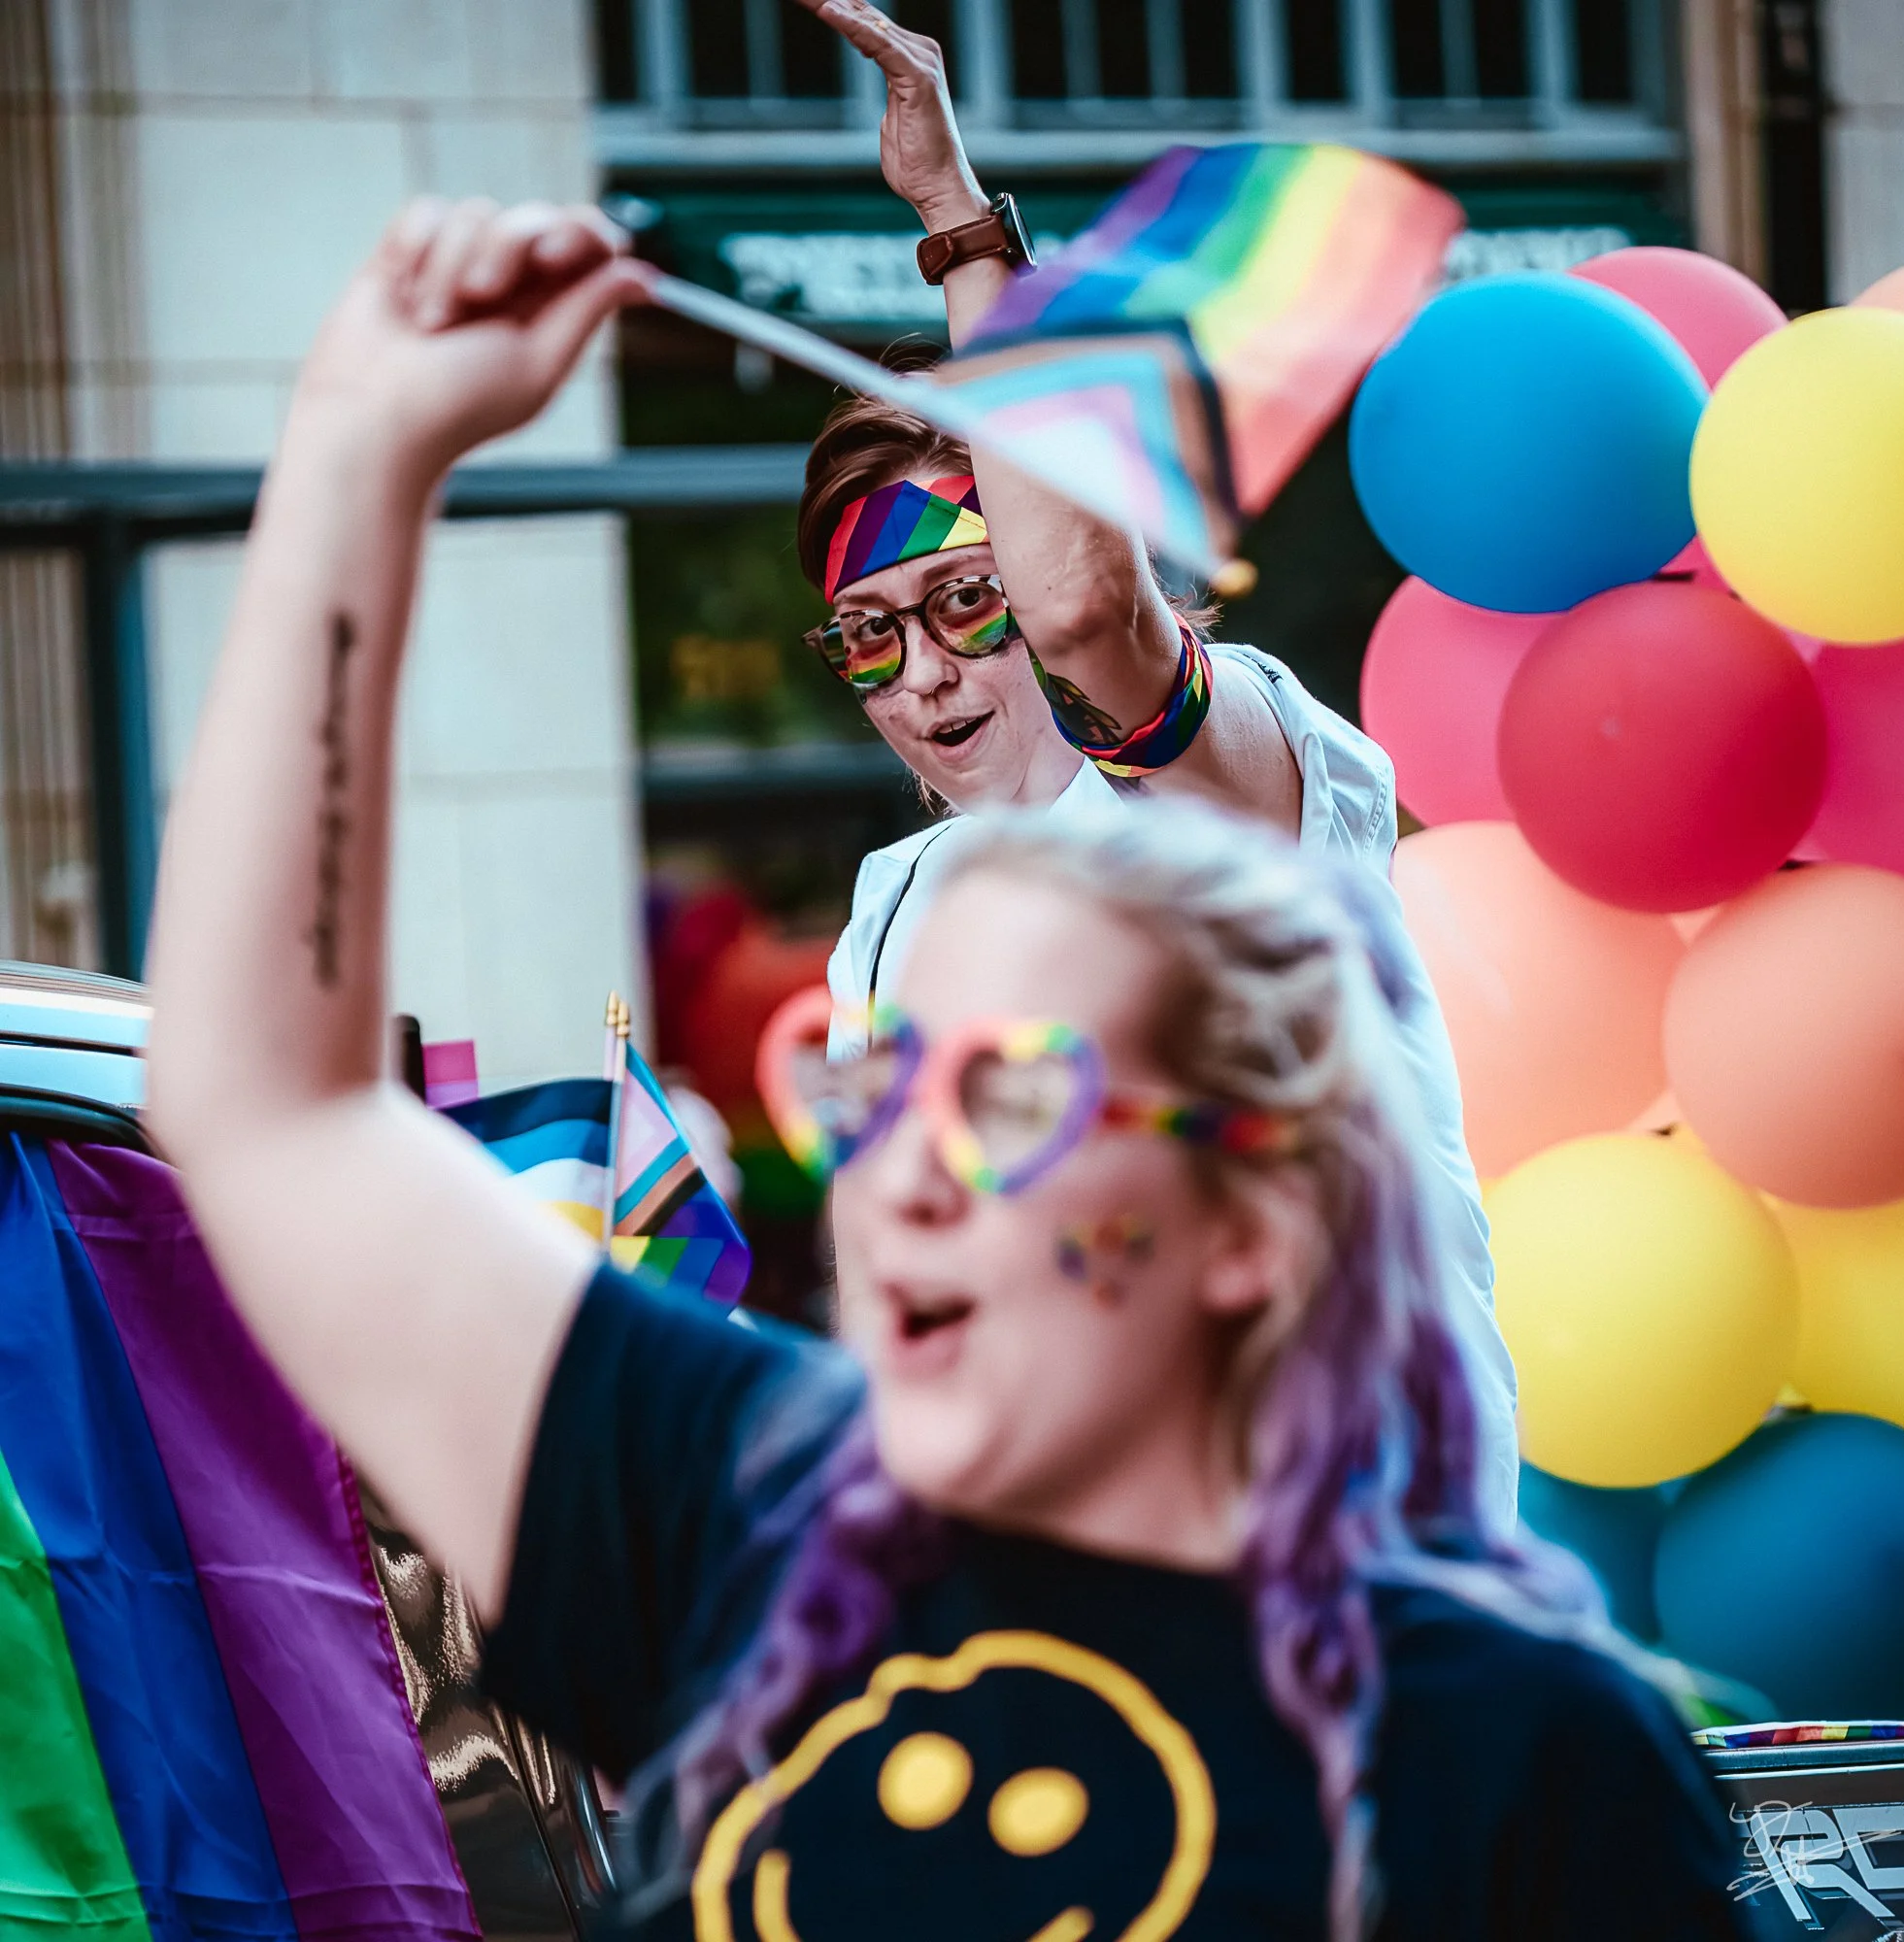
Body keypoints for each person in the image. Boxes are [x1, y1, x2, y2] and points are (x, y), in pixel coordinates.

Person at [148, 199, 1751, 1942]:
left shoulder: (1496, 1749)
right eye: (877, 1089)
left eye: (1006, 1099)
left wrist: (965, 237)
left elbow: (1091, 616)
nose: (897, 1172)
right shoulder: (767, 1533)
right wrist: (356, 445)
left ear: (1256, 1214)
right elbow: (268, 1109)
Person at [795, 0, 1520, 1523]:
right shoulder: (897, 903)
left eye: (960, 602)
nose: (921, 676)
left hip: (1355, 1573)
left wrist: (954, 224)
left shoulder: (1235, 775)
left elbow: (1082, 608)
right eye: (868, 636)